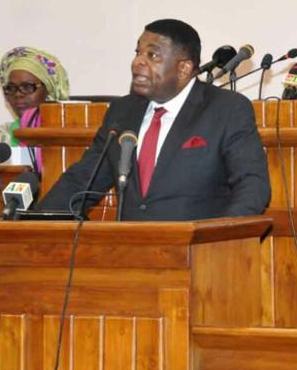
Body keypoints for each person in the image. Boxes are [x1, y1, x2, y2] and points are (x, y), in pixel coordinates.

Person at [37, 19, 271, 221]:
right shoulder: (122, 112)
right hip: (132, 258)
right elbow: (82, 182)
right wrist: (36, 225)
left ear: (183, 68)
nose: (138, 62)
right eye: (137, 52)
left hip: (200, 260)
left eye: (152, 55)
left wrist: (222, 240)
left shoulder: (225, 109)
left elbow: (252, 186)